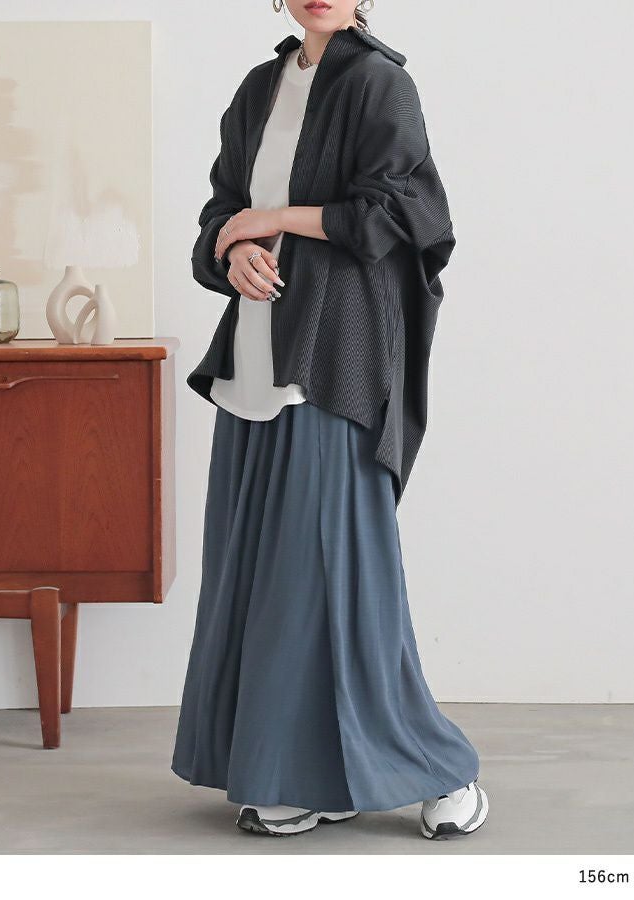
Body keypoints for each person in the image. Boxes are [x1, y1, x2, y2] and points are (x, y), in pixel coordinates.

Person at [172, 0, 489, 841]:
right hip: (253, 363)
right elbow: (217, 215)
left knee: (339, 576)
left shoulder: (381, 84)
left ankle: (442, 770)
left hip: (332, 360)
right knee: (264, 579)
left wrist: (274, 220)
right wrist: (234, 248)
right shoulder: (259, 88)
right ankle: (300, 775)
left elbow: (404, 215)